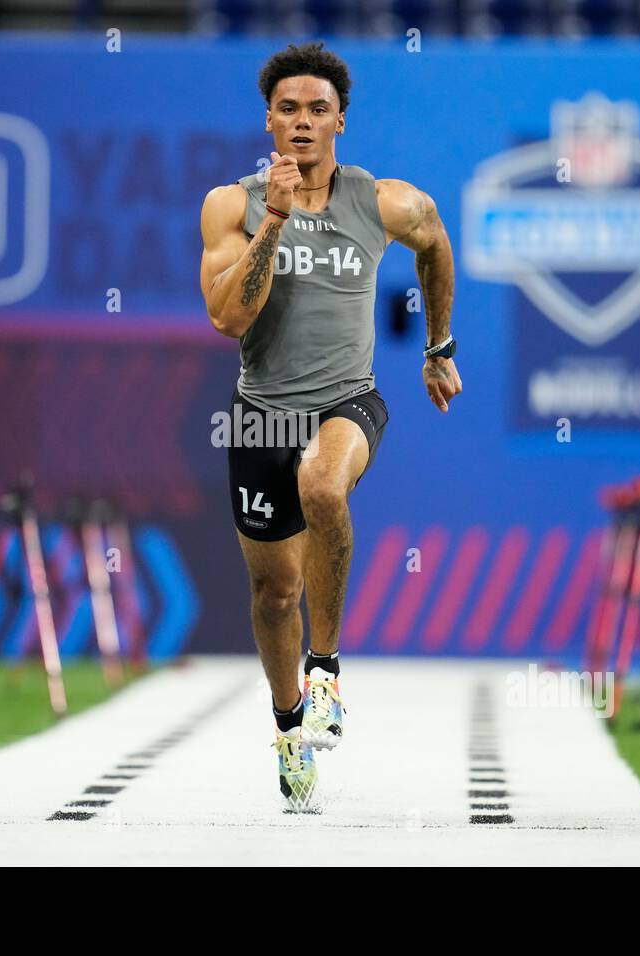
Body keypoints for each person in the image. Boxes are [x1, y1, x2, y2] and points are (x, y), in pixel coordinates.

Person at [198, 42, 462, 811]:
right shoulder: (232, 205)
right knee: (274, 592)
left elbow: (437, 242)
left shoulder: (383, 202)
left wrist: (439, 348)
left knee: (322, 481)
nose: (303, 122)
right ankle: (289, 730)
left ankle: (328, 672)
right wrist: (274, 220)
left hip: (349, 401)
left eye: (318, 109)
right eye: (289, 110)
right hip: (259, 417)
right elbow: (228, 317)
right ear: (269, 121)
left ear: (341, 120)